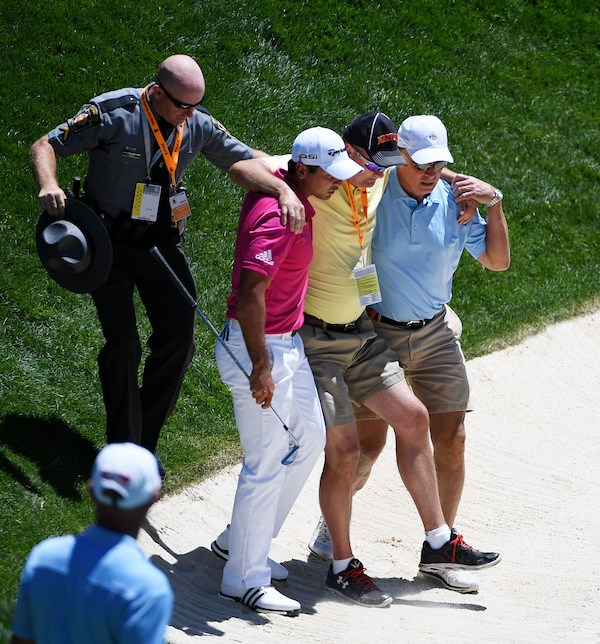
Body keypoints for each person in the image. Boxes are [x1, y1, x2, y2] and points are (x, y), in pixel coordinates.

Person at [244, 111, 499, 607]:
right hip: (315, 338)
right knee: (344, 452)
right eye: (370, 163)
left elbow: (415, 169)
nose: (375, 173)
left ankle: (438, 540)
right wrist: (282, 190)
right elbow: (252, 163)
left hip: (360, 334)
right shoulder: (320, 183)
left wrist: (460, 182)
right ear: (346, 155)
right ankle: (341, 565)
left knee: (415, 417)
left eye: (385, 165)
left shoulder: (379, 183)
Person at [30, 54, 305, 460]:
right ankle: (123, 449)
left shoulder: (196, 123)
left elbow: (247, 160)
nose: (189, 115)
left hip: (161, 244)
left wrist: (290, 184)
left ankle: (144, 443)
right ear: (157, 92)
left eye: (195, 106)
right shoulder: (113, 112)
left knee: (179, 342)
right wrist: (48, 183)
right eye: (182, 106)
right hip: (108, 243)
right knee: (124, 344)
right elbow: (45, 145)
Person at [353, 114, 511, 594]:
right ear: (400, 154)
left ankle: (439, 553)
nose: (430, 171)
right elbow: (354, 252)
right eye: (421, 162)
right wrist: (367, 310)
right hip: (379, 336)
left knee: (453, 435)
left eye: (439, 163)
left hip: (437, 333)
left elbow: (497, 261)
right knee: (368, 446)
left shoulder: (457, 202)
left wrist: (495, 203)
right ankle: (332, 522)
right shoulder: (375, 194)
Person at [209, 127, 360, 616]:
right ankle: (245, 580)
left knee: (311, 437)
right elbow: (252, 294)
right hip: (260, 349)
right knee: (265, 461)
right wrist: (260, 367)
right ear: (301, 169)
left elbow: (251, 161)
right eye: (329, 174)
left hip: (286, 344)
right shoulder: (277, 215)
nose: (338, 181)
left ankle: (243, 542)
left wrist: (281, 184)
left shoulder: (286, 182)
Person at [10, 442, 173, 644]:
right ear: (153, 497)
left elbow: (21, 640)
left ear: (91, 489)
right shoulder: (148, 590)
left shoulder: (44, 556)